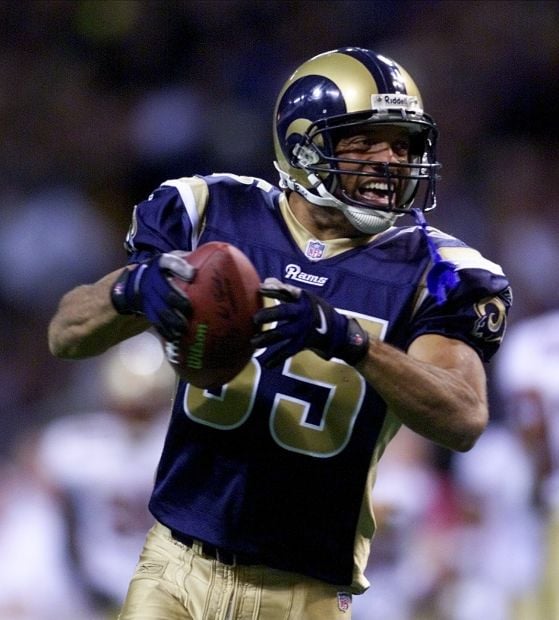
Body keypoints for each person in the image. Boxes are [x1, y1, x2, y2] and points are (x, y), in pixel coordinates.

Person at [48, 47, 511, 619]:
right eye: (365, 142)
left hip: (305, 591)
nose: (390, 160)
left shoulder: (439, 271)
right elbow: (67, 333)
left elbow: (463, 417)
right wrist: (130, 290)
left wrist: (350, 341)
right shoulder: (210, 210)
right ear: (302, 143)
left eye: (402, 143)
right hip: (176, 566)